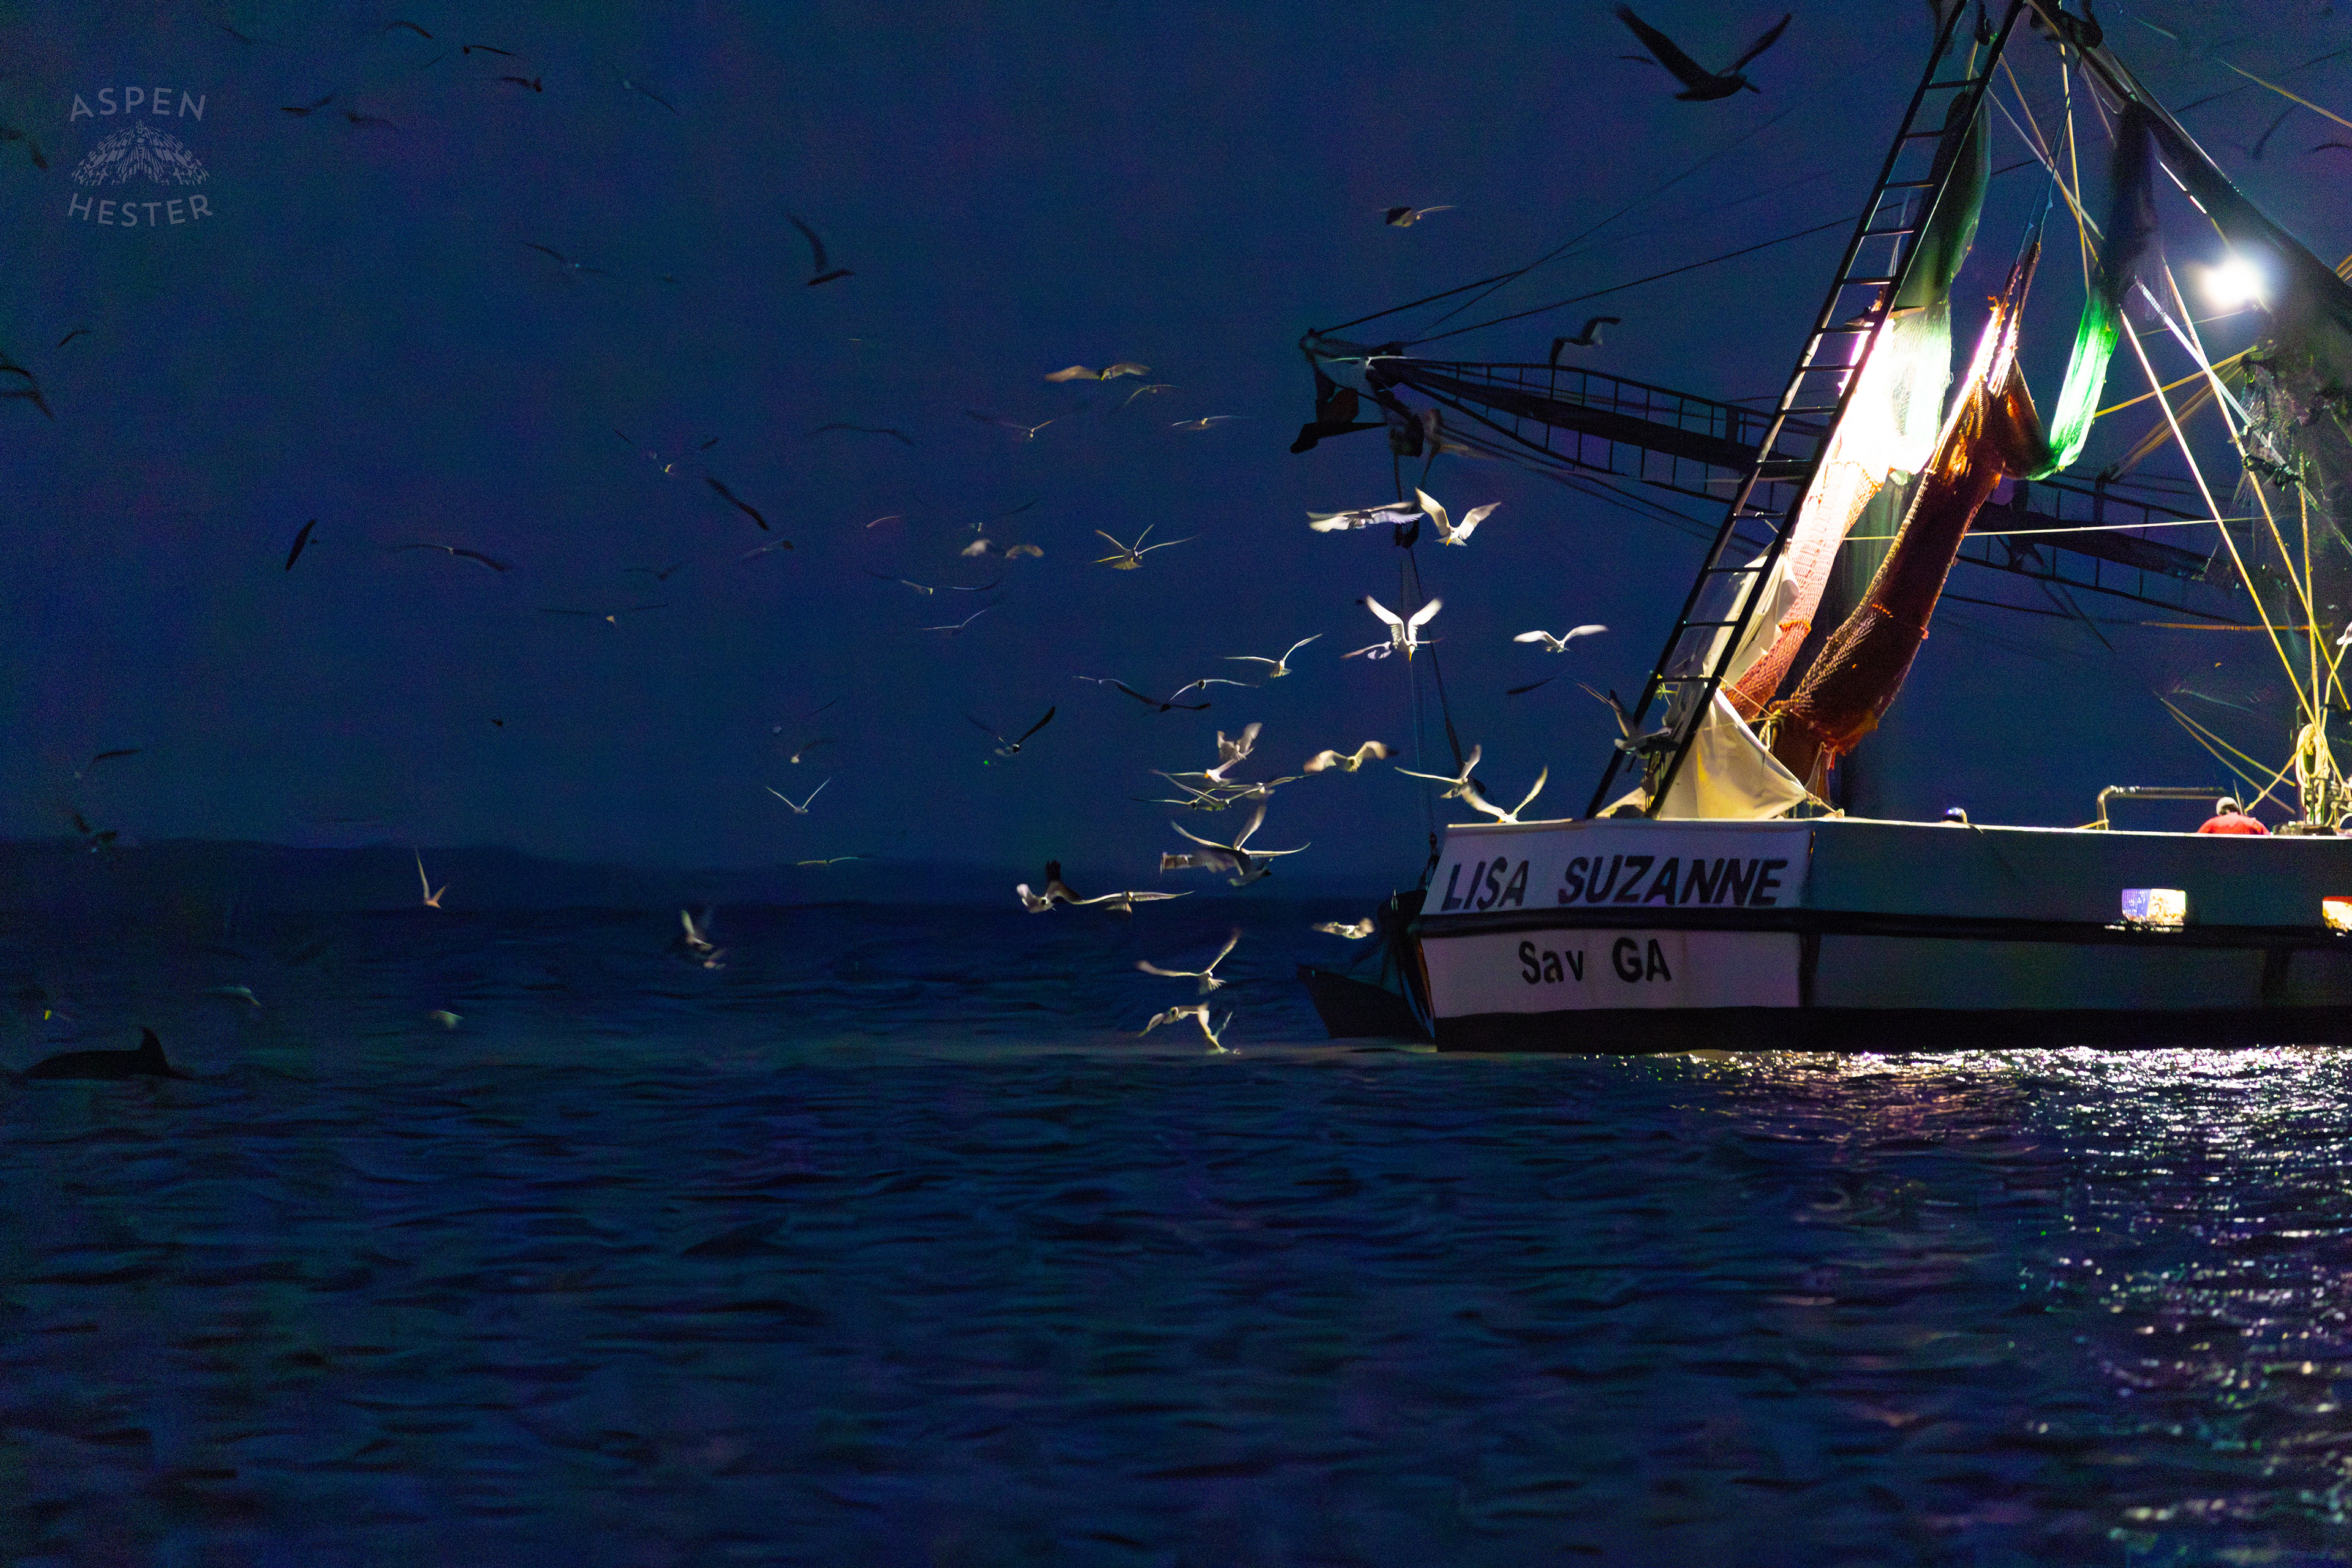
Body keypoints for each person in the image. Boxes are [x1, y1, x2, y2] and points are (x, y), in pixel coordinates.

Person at [2197, 797, 2269, 835]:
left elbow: (2195, 841)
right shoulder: (2252, 823)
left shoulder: (2211, 824)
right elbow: (2269, 839)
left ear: (2219, 812)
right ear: (2237, 809)